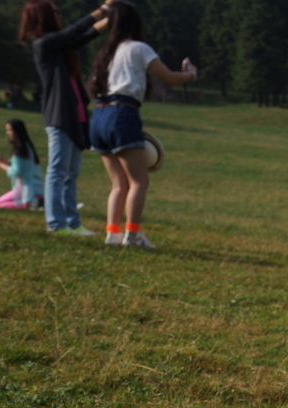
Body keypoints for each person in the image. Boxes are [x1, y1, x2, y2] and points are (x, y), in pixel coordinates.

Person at [88, 0, 197, 248]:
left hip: (99, 116)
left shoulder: (106, 52)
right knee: (139, 181)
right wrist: (191, 74)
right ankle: (133, 235)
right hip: (122, 114)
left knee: (118, 183)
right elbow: (169, 77)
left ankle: (112, 234)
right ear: (135, 23)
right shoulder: (138, 48)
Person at [18, 0, 112, 235]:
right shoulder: (44, 44)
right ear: (46, 18)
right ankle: (56, 223)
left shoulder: (58, 48)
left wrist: (114, 19)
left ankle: (72, 223)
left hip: (74, 116)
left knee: (71, 174)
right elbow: (75, 31)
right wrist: (103, 8)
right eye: (54, 13)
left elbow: (84, 36)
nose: (59, 16)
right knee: (58, 171)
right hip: (59, 116)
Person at [0, 119, 44, 209]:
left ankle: (34, 203)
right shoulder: (27, 147)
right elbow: (23, 167)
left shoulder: (20, 150)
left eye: (10, 130)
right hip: (33, 190)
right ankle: (36, 202)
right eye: (7, 130)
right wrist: (6, 162)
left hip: (27, 192)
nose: (8, 133)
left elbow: (17, 172)